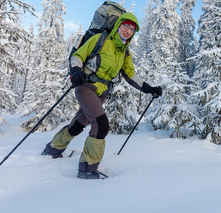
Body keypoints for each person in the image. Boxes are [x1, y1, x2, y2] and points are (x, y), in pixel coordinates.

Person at [41, 12, 162, 179]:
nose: (128, 30)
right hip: (86, 86)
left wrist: (149, 88)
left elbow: (130, 75)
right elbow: (78, 56)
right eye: (125, 25)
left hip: (101, 93)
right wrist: (75, 71)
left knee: (79, 124)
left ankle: (53, 148)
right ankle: (87, 168)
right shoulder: (101, 39)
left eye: (132, 29)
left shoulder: (124, 53)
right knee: (101, 125)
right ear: (118, 25)